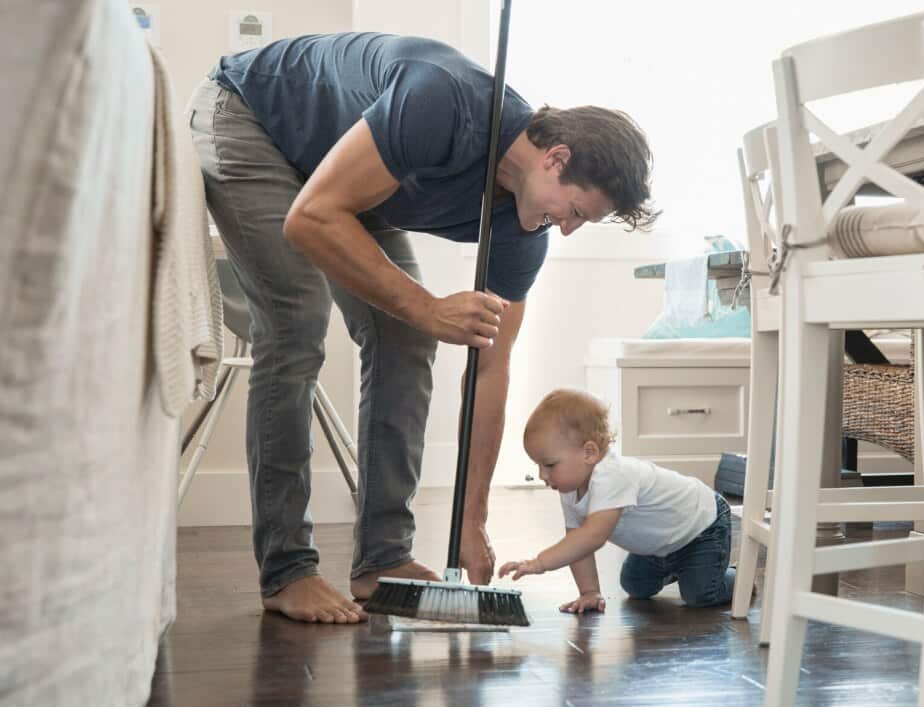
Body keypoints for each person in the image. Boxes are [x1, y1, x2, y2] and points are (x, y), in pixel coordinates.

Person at [188, 32, 657, 623]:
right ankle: (287, 571)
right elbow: (312, 218)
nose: (566, 231)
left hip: (347, 176)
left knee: (405, 337)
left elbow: (490, 366)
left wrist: (472, 521)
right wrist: (429, 308)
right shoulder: (444, 101)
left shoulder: (522, 231)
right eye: (578, 213)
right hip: (253, 117)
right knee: (295, 320)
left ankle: (381, 558)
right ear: (556, 159)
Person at [498, 389, 734, 612]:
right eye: (538, 465)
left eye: (549, 465)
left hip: (702, 526)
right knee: (636, 585)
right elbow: (577, 542)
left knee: (699, 594)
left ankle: (736, 579)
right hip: (662, 545)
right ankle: (687, 567)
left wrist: (540, 562)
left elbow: (592, 536)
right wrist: (589, 592)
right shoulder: (570, 488)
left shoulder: (612, 475)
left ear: (588, 453)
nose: (542, 475)